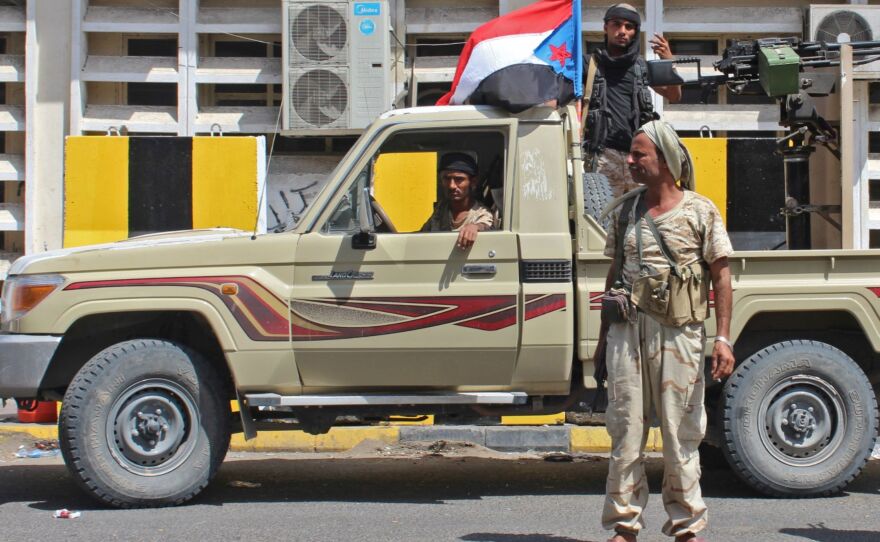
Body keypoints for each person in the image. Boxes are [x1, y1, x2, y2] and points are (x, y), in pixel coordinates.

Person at [599, 120, 735, 542]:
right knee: (625, 430)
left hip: (679, 334)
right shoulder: (625, 211)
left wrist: (723, 338)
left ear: (665, 160)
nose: (631, 161)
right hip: (628, 334)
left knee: (681, 432)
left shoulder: (699, 210)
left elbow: (722, 277)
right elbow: (613, 272)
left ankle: (687, 527)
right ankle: (624, 525)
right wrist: (604, 337)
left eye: (640, 154)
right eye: (632, 154)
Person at [586, 3, 682, 198]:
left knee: (638, 218)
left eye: (629, 27)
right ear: (606, 27)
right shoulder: (590, 65)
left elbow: (674, 95)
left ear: (635, 32)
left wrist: (668, 62)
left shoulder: (640, 67)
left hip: (638, 157)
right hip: (603, 155)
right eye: (616, 24)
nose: (622, 31)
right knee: (602, 220)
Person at [421, 152, 494, 249]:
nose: (452, 186)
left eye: (459, 179)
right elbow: (421, 235)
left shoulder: (481, 213)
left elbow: (486, 225)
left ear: (473, 181)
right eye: (446, 178)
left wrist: (475, 227)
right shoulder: (441, 209)